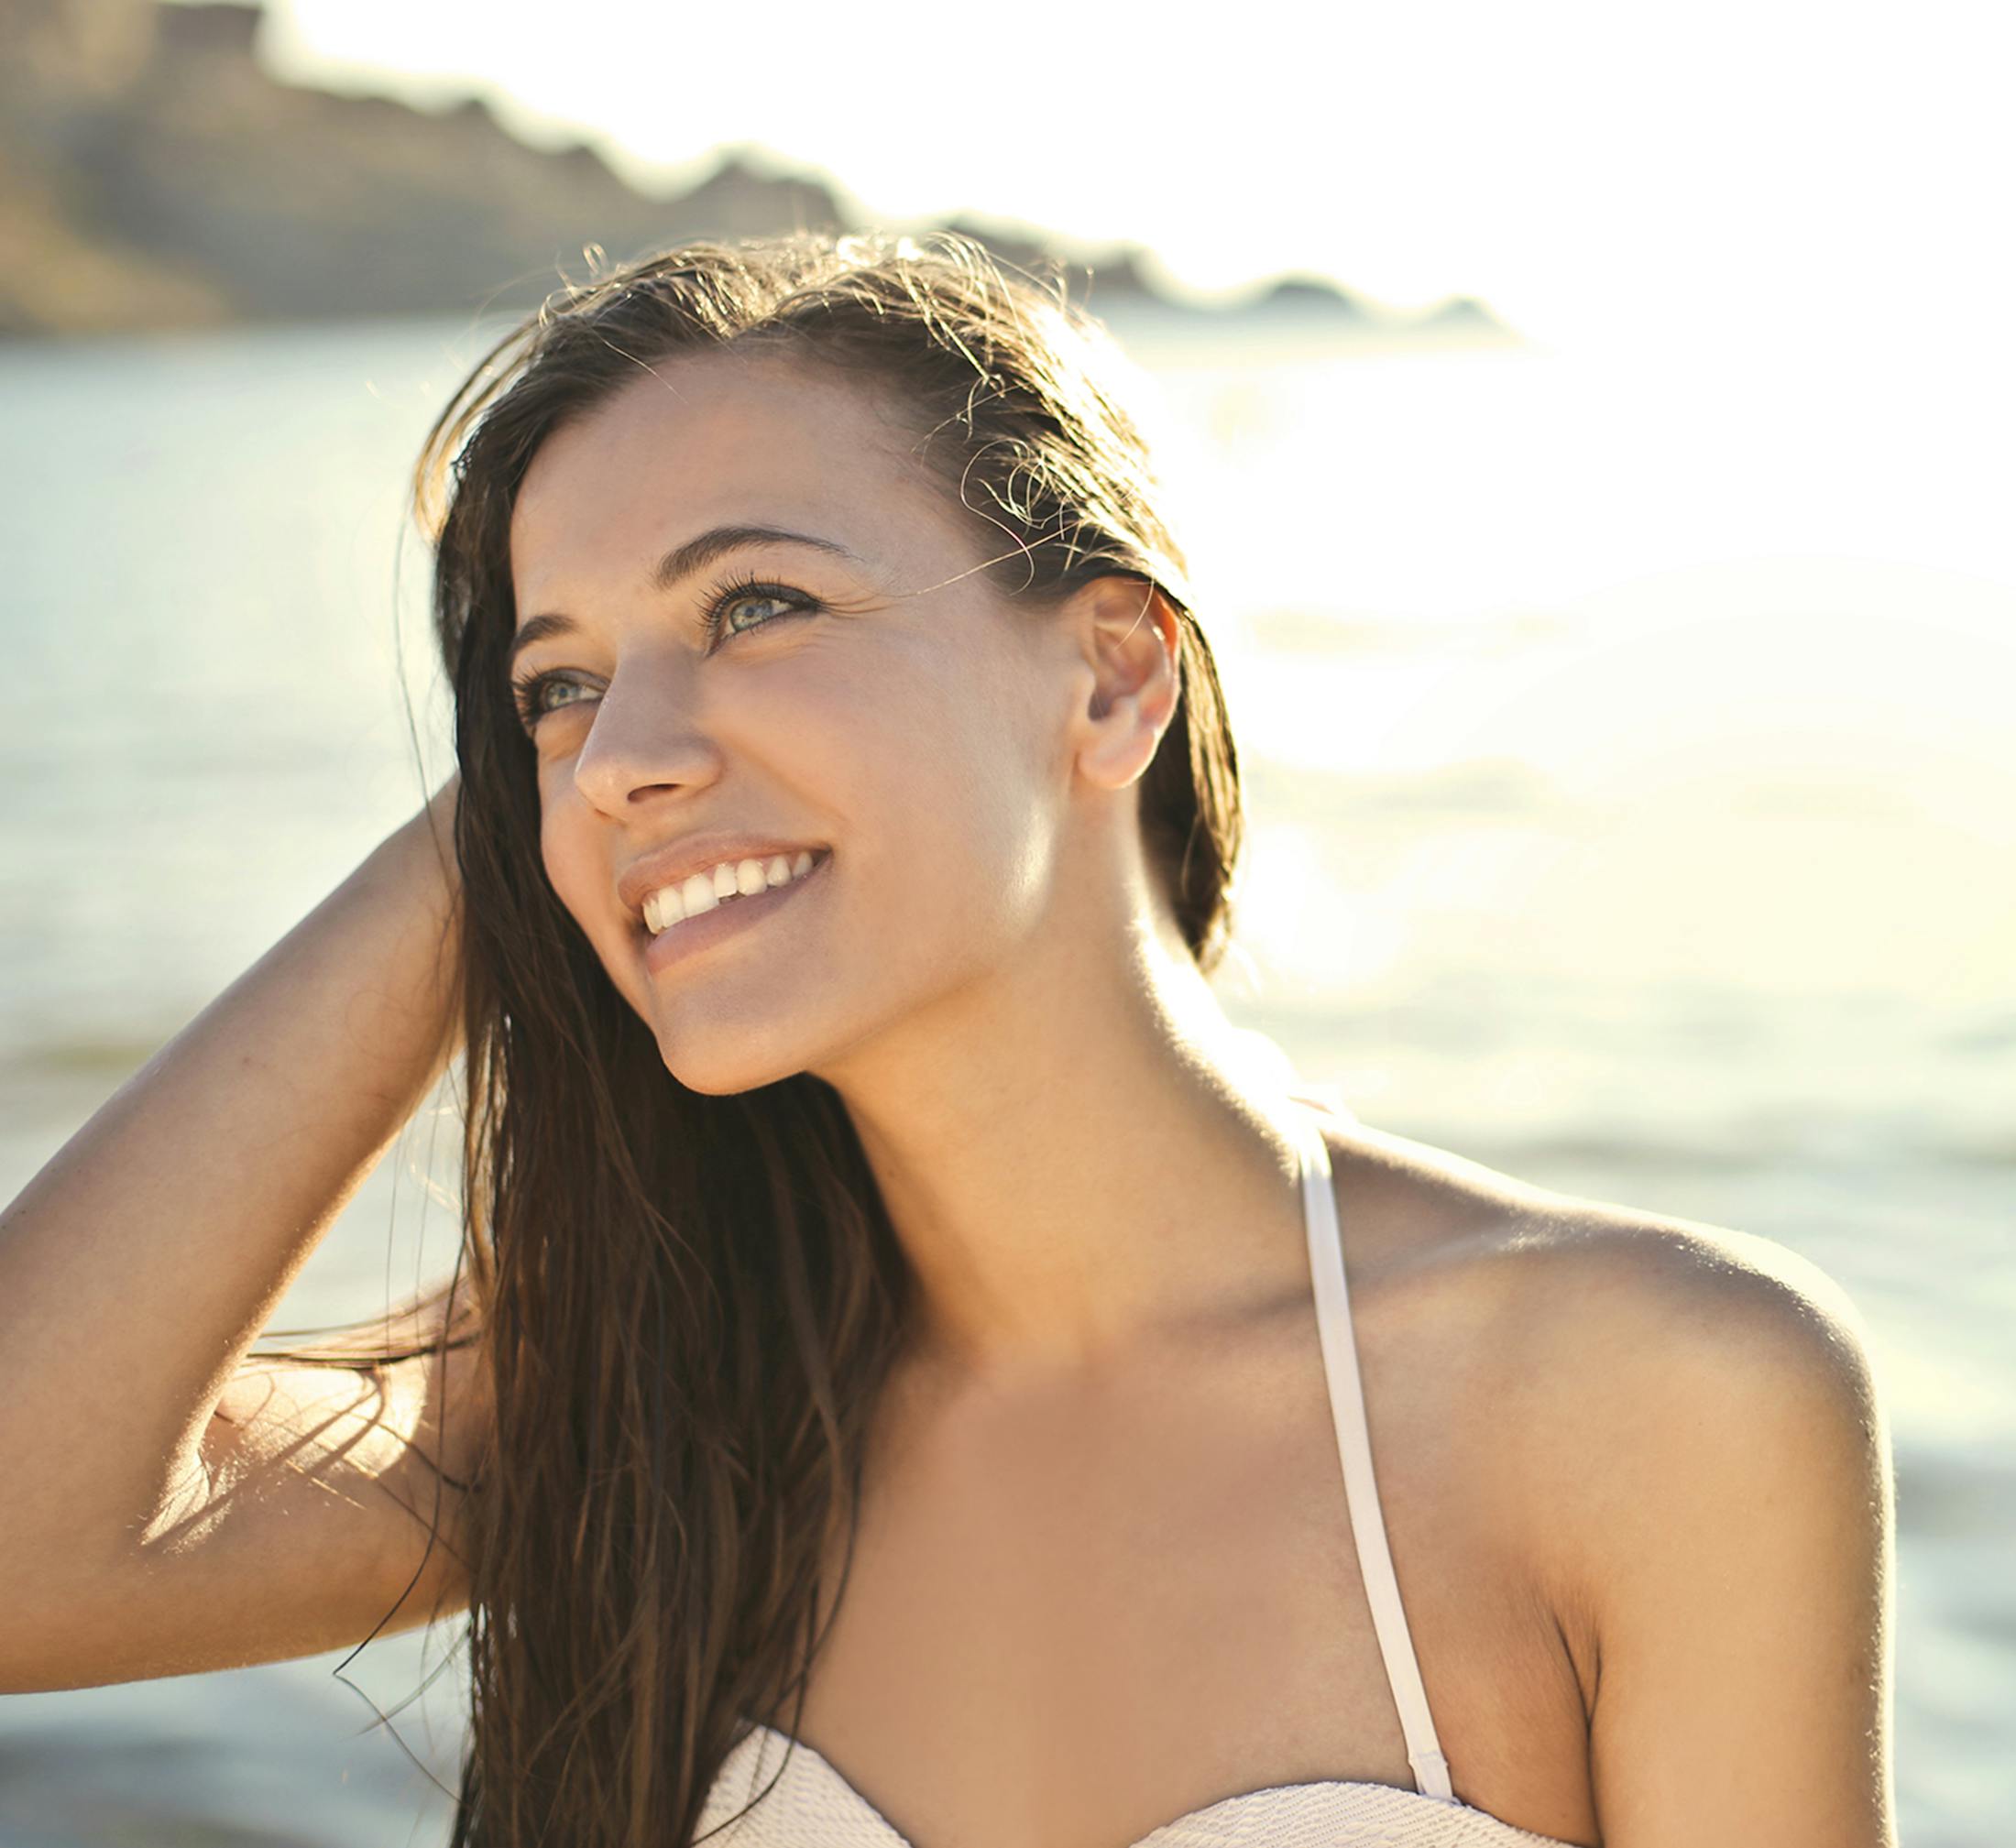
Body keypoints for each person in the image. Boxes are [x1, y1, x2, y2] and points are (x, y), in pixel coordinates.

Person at [0, 232, 1895, 1848]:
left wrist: (638, 764)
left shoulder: (1647, 1399)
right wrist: (530, 815)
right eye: (553, 680)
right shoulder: (639, 1406)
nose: (627, 743)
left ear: (1108, 672)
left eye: (756, 603)